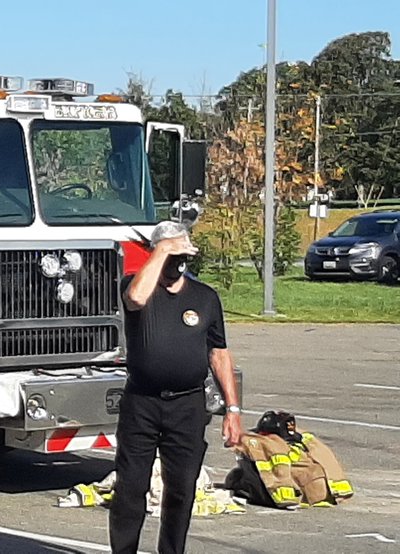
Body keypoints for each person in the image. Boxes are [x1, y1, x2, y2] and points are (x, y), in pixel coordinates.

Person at [109, 221, 243, 554]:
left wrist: (233, 410)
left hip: (187, 407)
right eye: (170, 252)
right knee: (131, 488)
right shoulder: (137, 285)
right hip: (142, 403)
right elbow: (136, 298)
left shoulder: (205, 297)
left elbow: (219, 354)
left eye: (182, 252)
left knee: (181, 490)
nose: (176, 261)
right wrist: (162, 249)